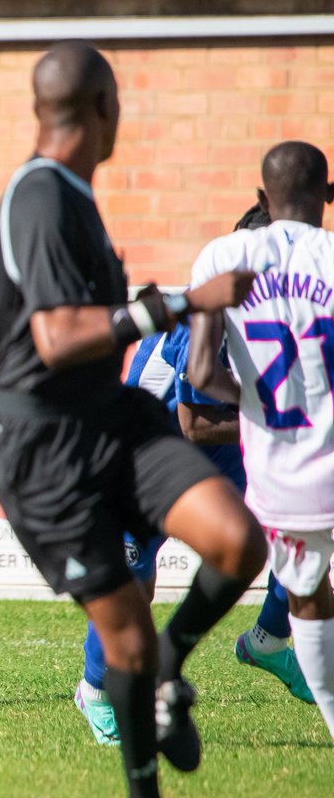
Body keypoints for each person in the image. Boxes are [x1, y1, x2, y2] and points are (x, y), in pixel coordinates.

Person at [0, 41, 265, 798]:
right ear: (103, 108)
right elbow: (55, 338)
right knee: (126, 645)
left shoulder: (73, 193)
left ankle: (171, 666)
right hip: (47, 451)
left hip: (115, 418)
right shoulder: (38, 195)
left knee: (240, 543)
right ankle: (144, 782)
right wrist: (177, 301)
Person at [74, 205, 314, 747]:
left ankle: (270, 640)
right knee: (134, 583)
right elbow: (197, 423)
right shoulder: (212, 309)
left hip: (223, 448)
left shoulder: (287, 307)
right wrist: (285, 420)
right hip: (152, 449)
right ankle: (96, 689)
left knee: (297, 516)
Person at [188, 140, 334, 739]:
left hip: (282, 477)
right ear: (328, 196)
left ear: (260, 198)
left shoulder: (223, 256)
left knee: (307, 596)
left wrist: (256, 400)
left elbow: (199, 373)